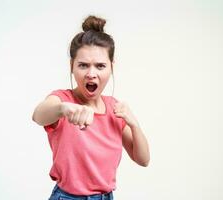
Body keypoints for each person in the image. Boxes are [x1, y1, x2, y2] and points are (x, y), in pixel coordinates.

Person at [32, 15, 150, 200]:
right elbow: (38, 116)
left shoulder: (114, 108)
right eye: (83, 65)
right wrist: (63, 109)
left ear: (112, 67)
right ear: (72, 66)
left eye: (100, 66)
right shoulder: (62, 99)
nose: (91, 74)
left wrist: (135, 125)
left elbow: (143, 160)